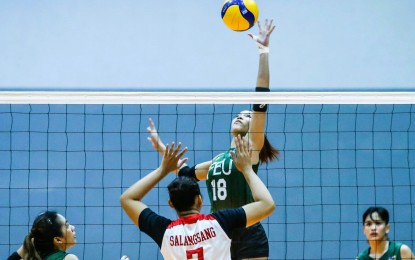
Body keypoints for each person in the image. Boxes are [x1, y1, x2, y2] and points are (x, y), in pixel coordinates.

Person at [146, 19, 278, 260]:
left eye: (246, 115)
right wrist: (160, 147)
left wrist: (263, 51)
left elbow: (260, 103)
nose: (241, 115)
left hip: (249, 232)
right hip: (218, 232)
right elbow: (184, 172)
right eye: (238, 114)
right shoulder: (218, 161)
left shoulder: (251, 148)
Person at [120, 135, 275, 259]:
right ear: (199, 200)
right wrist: (247, 169)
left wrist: (163, 170)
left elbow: (128, 198)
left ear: (171, 203)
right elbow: (267, 204)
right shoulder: (221, 222)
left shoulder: (163, 231)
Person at [8, 211, 78, 260]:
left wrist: (28, 242)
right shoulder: (69, 258)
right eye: (67, 225)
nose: (73, 227)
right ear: (58, 240)